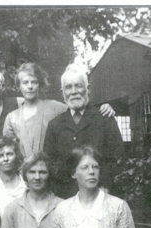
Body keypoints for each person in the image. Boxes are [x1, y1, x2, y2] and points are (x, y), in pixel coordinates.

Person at [44, 63, 124, 198]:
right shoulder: (54, 125)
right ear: (62, 92)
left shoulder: (105, 119)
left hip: (100, 194)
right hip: (64, 197)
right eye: (68, 87)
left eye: (79, 86)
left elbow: (117, 158)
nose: (74, 91)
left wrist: (105, 187)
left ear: (88, 89)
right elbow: (49, 162)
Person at [3, 62, 115, 160]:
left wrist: (103, 107)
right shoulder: (12, 118)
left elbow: (78, 108)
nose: (30, 86)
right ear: (18, 86)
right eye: (25, 82)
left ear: (40, 84)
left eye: (34, 82)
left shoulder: (55, 107)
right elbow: (8, 150)